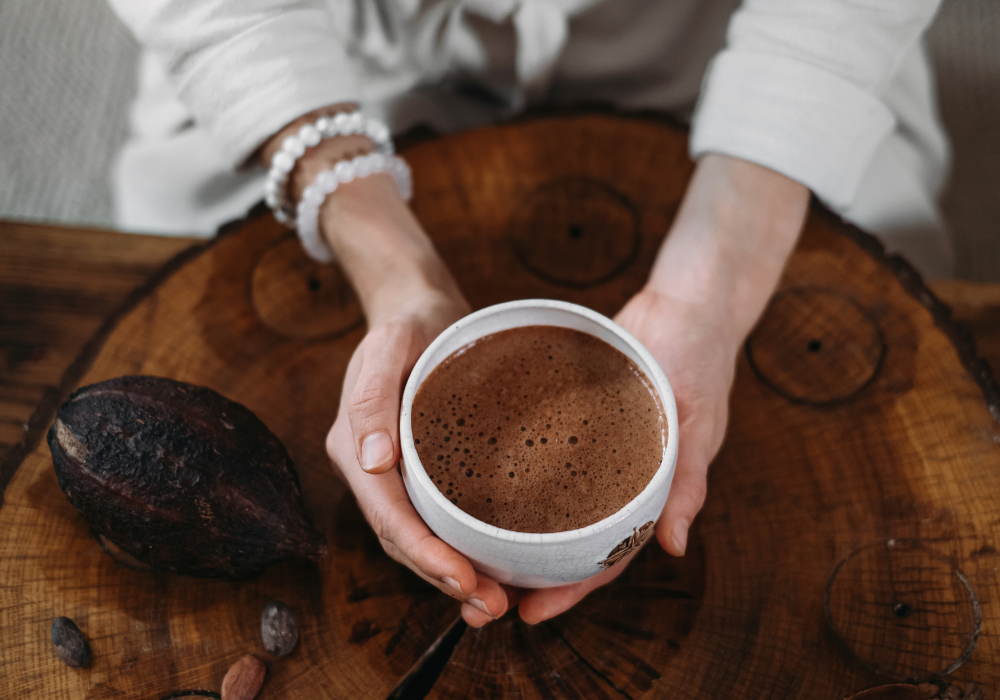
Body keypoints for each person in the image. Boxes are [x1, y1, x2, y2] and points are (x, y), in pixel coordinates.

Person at [107, 0, 953, 627]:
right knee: (185, 288)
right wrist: (395, 270)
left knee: (894, 282)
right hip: (325, 52)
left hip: (736, 49)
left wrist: (711, 288)